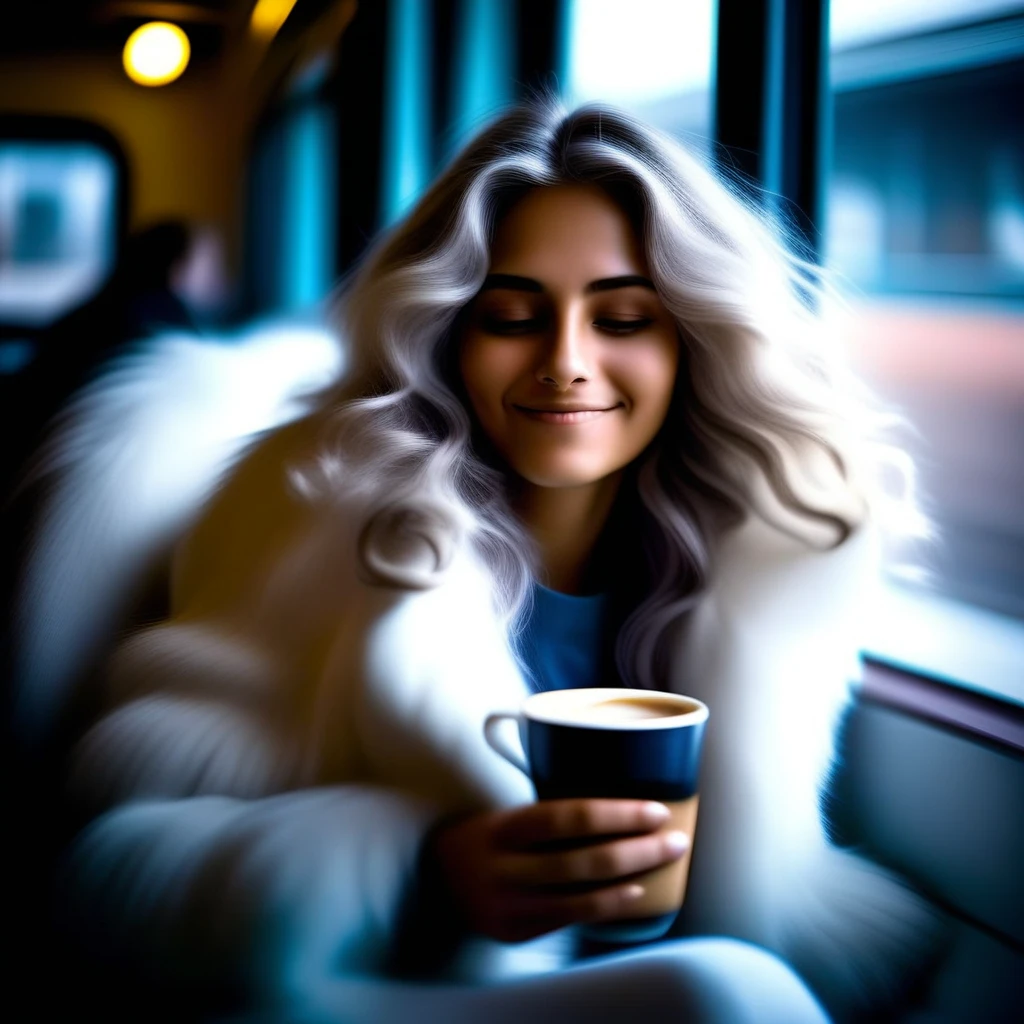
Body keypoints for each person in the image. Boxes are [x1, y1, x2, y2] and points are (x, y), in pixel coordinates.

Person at [13, 100, 945, 1023]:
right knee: (728, 996)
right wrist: (414, 869)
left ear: (691, 341)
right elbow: (106, 874)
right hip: (371, 994)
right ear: (451, 332)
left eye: (622, 319)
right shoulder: (317, 518)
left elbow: (750, 882)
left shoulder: (746, 568)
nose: (566, 362)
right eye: (510, 316)